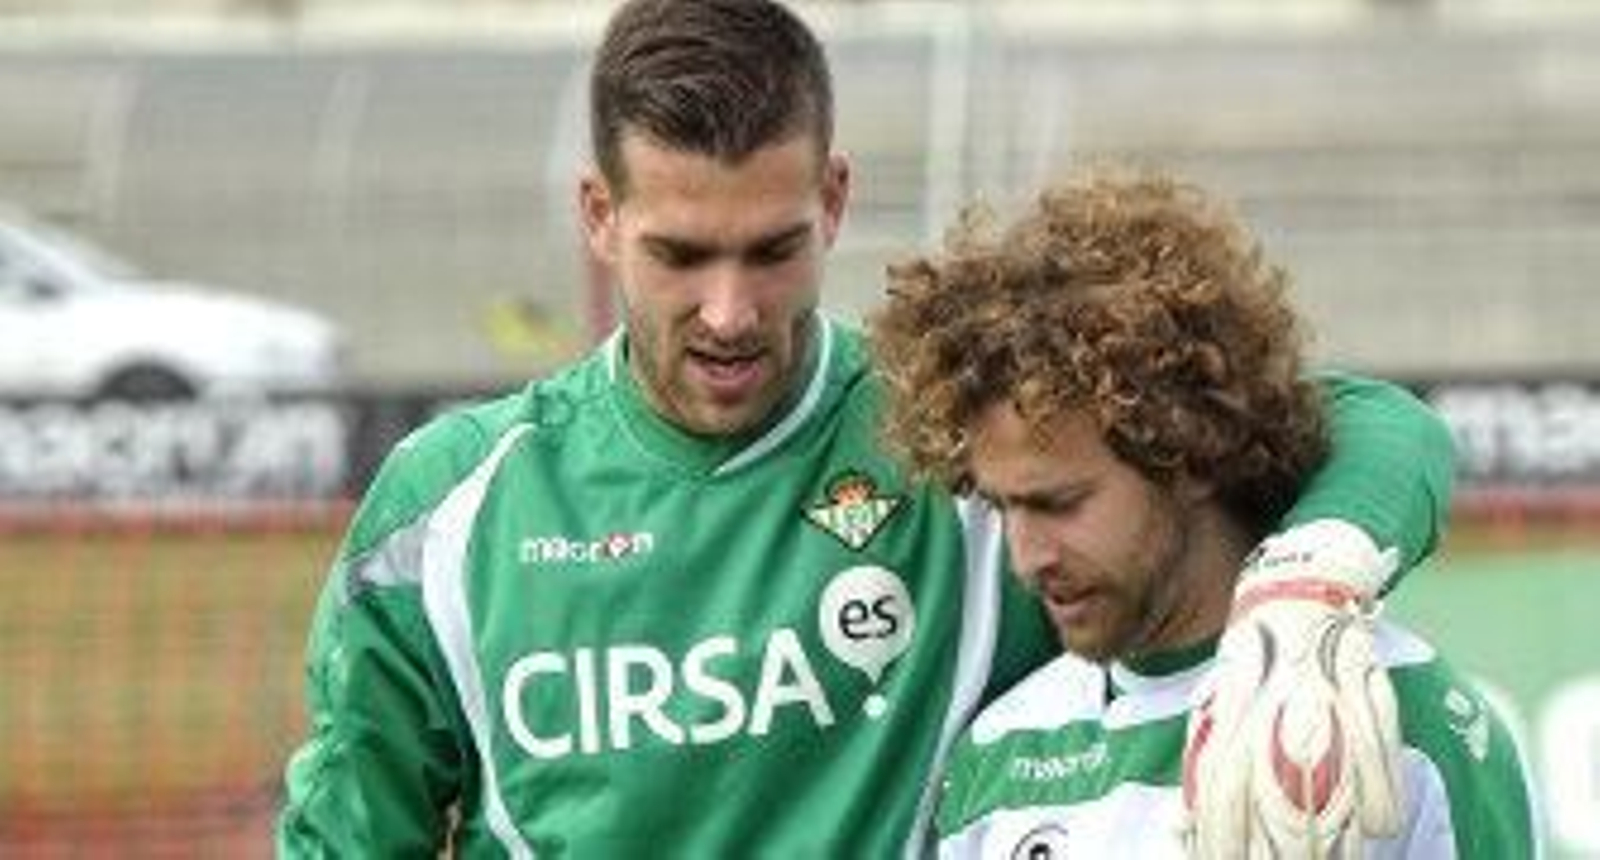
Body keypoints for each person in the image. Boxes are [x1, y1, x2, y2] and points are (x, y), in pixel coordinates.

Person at [276, 2, 1458, 855]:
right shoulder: (452, 507)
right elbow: (345, 833)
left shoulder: (954, 436)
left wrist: (1307, 586)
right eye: (680, 255)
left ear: (833, 199)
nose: (730, 312)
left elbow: (1368, 421)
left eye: (774, 248)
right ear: (600, 215)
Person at [868, 172, 1536, 858]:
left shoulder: (1402, 719)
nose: (1025, 557)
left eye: (1059, 503)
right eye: (1003, 507)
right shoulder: (999, 751)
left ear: (1187, 450)